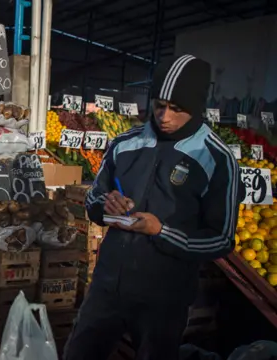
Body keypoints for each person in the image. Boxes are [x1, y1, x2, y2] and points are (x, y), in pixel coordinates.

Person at [63, 54, 245, 360]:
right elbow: (94, 198)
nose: (164, 116)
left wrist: (161, 231)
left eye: (177, 109)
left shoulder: (216, 158)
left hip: (165, 299)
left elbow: (221, 238)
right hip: (108, 288)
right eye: (159, 105)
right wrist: (106, 204)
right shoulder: (124, 143)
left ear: (197, 107)